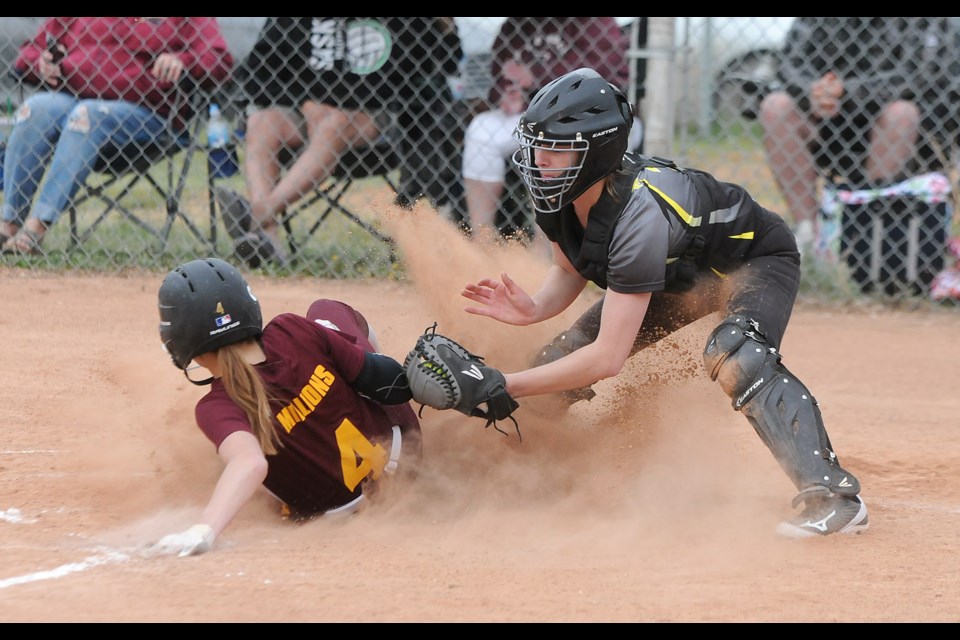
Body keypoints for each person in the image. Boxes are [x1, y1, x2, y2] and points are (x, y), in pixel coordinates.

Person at [460, 68, 868, 538]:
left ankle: (834, 498)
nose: (537, 159)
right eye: (536, 145)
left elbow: (607, 359)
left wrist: (503, 384)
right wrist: (533, 308)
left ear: (596, 153)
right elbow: (570, 268)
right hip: (683, 275)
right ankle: (525, 471)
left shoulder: (641, 216)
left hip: (753, 261)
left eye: (554, 148)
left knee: (737, 351)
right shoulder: (559, 189)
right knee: (557, 360)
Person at [152, 257, 421, 556]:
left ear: (181, 341)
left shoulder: (215, 406)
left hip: (336, 517)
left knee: (235, 461)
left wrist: (204, 529)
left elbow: (250, 463)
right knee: (326, 311)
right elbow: (389, 383)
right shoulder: (291, 330)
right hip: (405, 458)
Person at [214, 17, 462, 268]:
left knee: (334, 123)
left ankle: (255, 216)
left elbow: (438, 67)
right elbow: (259, 73)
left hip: (376, 117)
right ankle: (267, 238)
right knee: (261, 122)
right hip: (305, 111)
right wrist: (306, 102)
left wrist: (445, 29)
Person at [0, 17, 233, 256]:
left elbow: (220, 60)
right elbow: (29, 51)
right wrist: (38, 62)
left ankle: (36, 228)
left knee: (87, 113)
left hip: (147, 116)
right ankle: (9, 224)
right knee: (34, 109)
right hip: (74, 104)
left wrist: (184, 60)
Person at [758, 17, 960, 254]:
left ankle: (868, 232)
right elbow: (791, 62)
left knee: (901, 114)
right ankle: (810, 236)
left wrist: (849, 91)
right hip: (829, 120)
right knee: (776, 106)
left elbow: (921, 74)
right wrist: (812, 91)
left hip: (901, 123)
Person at [460, 17, 643, 247]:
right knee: (480, 129)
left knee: (550, 141)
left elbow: (606, 79)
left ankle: (548, 247)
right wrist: (509, 93)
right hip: (530, 116)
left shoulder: (596, 23)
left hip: (591, 121)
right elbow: (499, 77)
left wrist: (536, 77)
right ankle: (481, 240)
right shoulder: (515, 25)